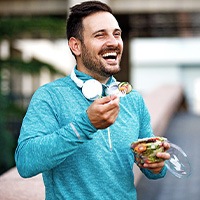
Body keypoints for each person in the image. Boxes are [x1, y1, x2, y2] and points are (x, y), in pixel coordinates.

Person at [15, 1, 170, 199]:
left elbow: (152, 169)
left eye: (116, 34)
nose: (113, 42)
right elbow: (26, 162)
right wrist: (86, 125)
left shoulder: (133, 99)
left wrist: (156, 166)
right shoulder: (50, 96)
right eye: (100, 35)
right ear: (76, 46)